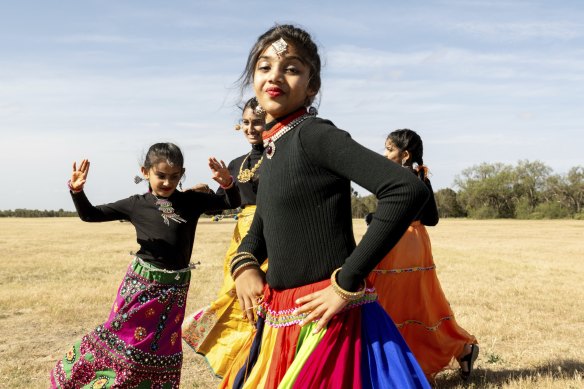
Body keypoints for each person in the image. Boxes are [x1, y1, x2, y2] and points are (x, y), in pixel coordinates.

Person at [221, 24, 431, 389]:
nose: (276, 76)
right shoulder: (273, 148)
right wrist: (245, 263)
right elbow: (263, 224)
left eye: (292, 68)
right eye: (265, 66)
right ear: (253, 78)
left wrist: (346, 282)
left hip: (330, 324)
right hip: (282, 321)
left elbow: (405, 190)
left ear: (312, 85)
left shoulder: (314, 135)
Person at [50, 142, 240, 389]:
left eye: (174, 176)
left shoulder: (192, 201)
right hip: (141, 286)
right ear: (145, 171)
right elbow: (91, 215)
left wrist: (227, 183)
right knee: (123, 339)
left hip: (175, 291)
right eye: (160, 176)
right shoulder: (136, 203)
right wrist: (77, 191)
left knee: (162, 347)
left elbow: (230, 203)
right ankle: (83, 380)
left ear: (182, 174)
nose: (166, 182)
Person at [367, 129, 479, 381]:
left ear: (404, 154)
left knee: (387, 304)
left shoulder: (395, 178)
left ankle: (398, 369)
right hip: (417, 245)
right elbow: (432, 219)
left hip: (395, 243)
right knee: (419, 306)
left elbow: (392, 216)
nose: (384, 154)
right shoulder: (421, 177)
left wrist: (374, 219)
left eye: (389, 149)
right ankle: (460, 349)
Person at [182, 97, 268, 382]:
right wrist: (204, 194)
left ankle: (264, 358)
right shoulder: (236, 163)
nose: (251, 128)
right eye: (246, 122)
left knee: (262, 299)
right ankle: (240, 361)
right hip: (241, 239)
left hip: (272, 233)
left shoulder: (281, 155)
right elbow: (225, 204)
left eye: (257, 122)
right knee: (233, 297)